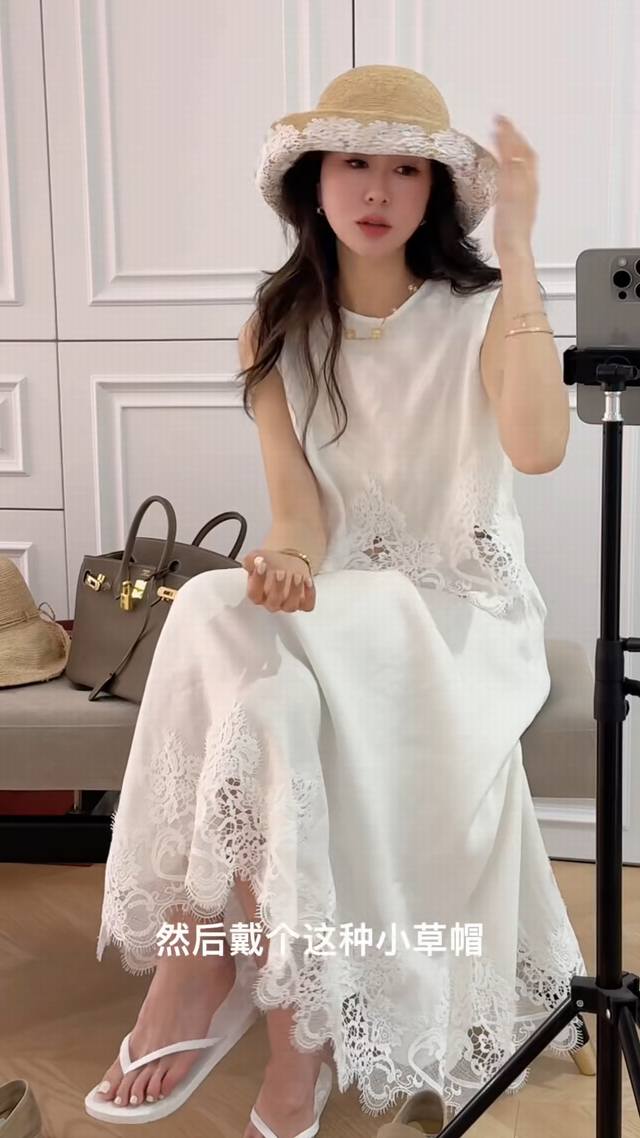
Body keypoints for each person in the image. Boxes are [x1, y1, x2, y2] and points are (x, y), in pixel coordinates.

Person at [85, 64, 589, 1137]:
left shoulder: (481, 312)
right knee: (258, 687)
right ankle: (294, 1028)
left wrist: (521, 248)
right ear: (312, 182)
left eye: (406, 169)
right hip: (336, 612)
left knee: (206, 610)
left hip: (459, 622)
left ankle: (195, 965)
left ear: (435, 194)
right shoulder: (278, 328)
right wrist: (286, 563)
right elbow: (298, 516)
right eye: (354, 161)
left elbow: (541, 449)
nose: (376, 188)